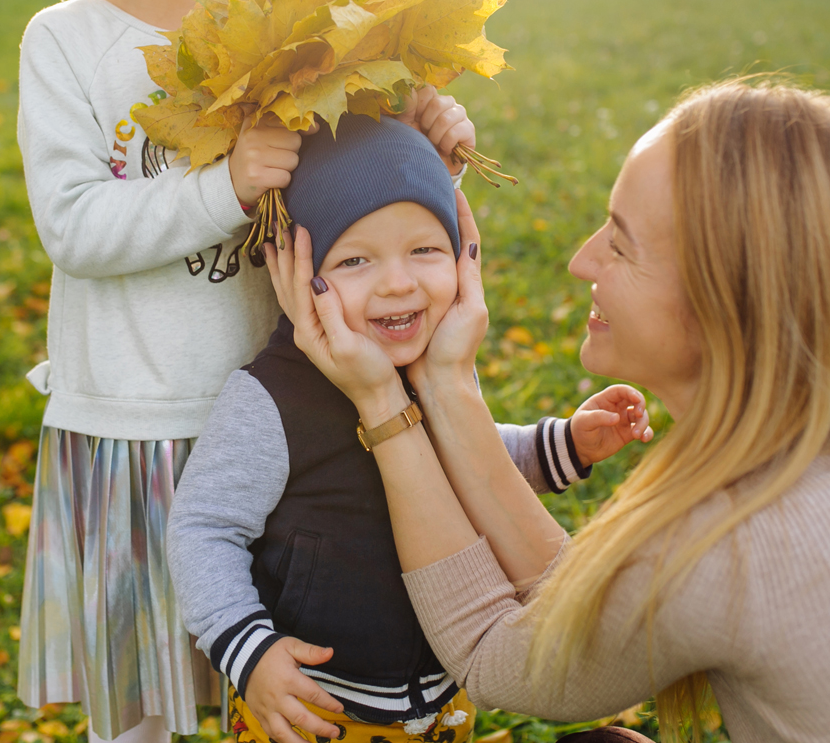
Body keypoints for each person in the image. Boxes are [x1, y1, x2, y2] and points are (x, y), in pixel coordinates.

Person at [14, 0, 475, 741]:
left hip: (282, 421)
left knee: (272, 679)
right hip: (133, 428)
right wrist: (223, 184)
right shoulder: (65, 42)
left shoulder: (283, 33)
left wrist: (425, 136)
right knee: (142, 704)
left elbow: (357, 202)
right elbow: (77, 226)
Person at [271, 80, 830, 743]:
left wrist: (380, 399)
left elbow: (500, 656)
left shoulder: (732, 541)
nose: (581, 261)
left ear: (731, 302)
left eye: (622, 247)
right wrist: (446, 379)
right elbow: (578, 599)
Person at [166, 113, 653, 743]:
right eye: (355, 260)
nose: (399, 283)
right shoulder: (272, 397)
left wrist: (557, 445)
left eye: (425, 250)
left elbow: (466, 466)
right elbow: (205, 527)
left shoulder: (429, 367)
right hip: (319, 710)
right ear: (292, 268)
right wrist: (249, 648)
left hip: (442, 699)